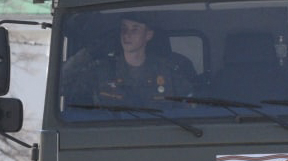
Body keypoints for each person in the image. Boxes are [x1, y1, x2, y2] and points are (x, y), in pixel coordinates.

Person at [63, 12, 197, 107]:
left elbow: (190, 108)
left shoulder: (168, 71)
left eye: (135, 29)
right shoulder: (102, 70)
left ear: (148, 35)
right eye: (124, 29)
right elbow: (61, 85)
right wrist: (88, 53)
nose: (127, 35)